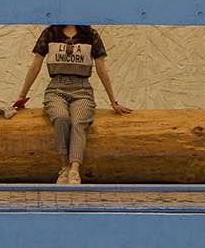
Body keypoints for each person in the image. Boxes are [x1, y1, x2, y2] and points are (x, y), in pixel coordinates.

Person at [12, 24, 132, 184]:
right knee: (60, 118)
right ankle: (64, 167)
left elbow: (102, 69)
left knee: (78, 123)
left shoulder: (90, 34)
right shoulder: (50, 33)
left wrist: (113, 101)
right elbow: (35, 65)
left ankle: (74, 169)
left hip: (82, 89)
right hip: (56, 88)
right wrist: (22, 96)